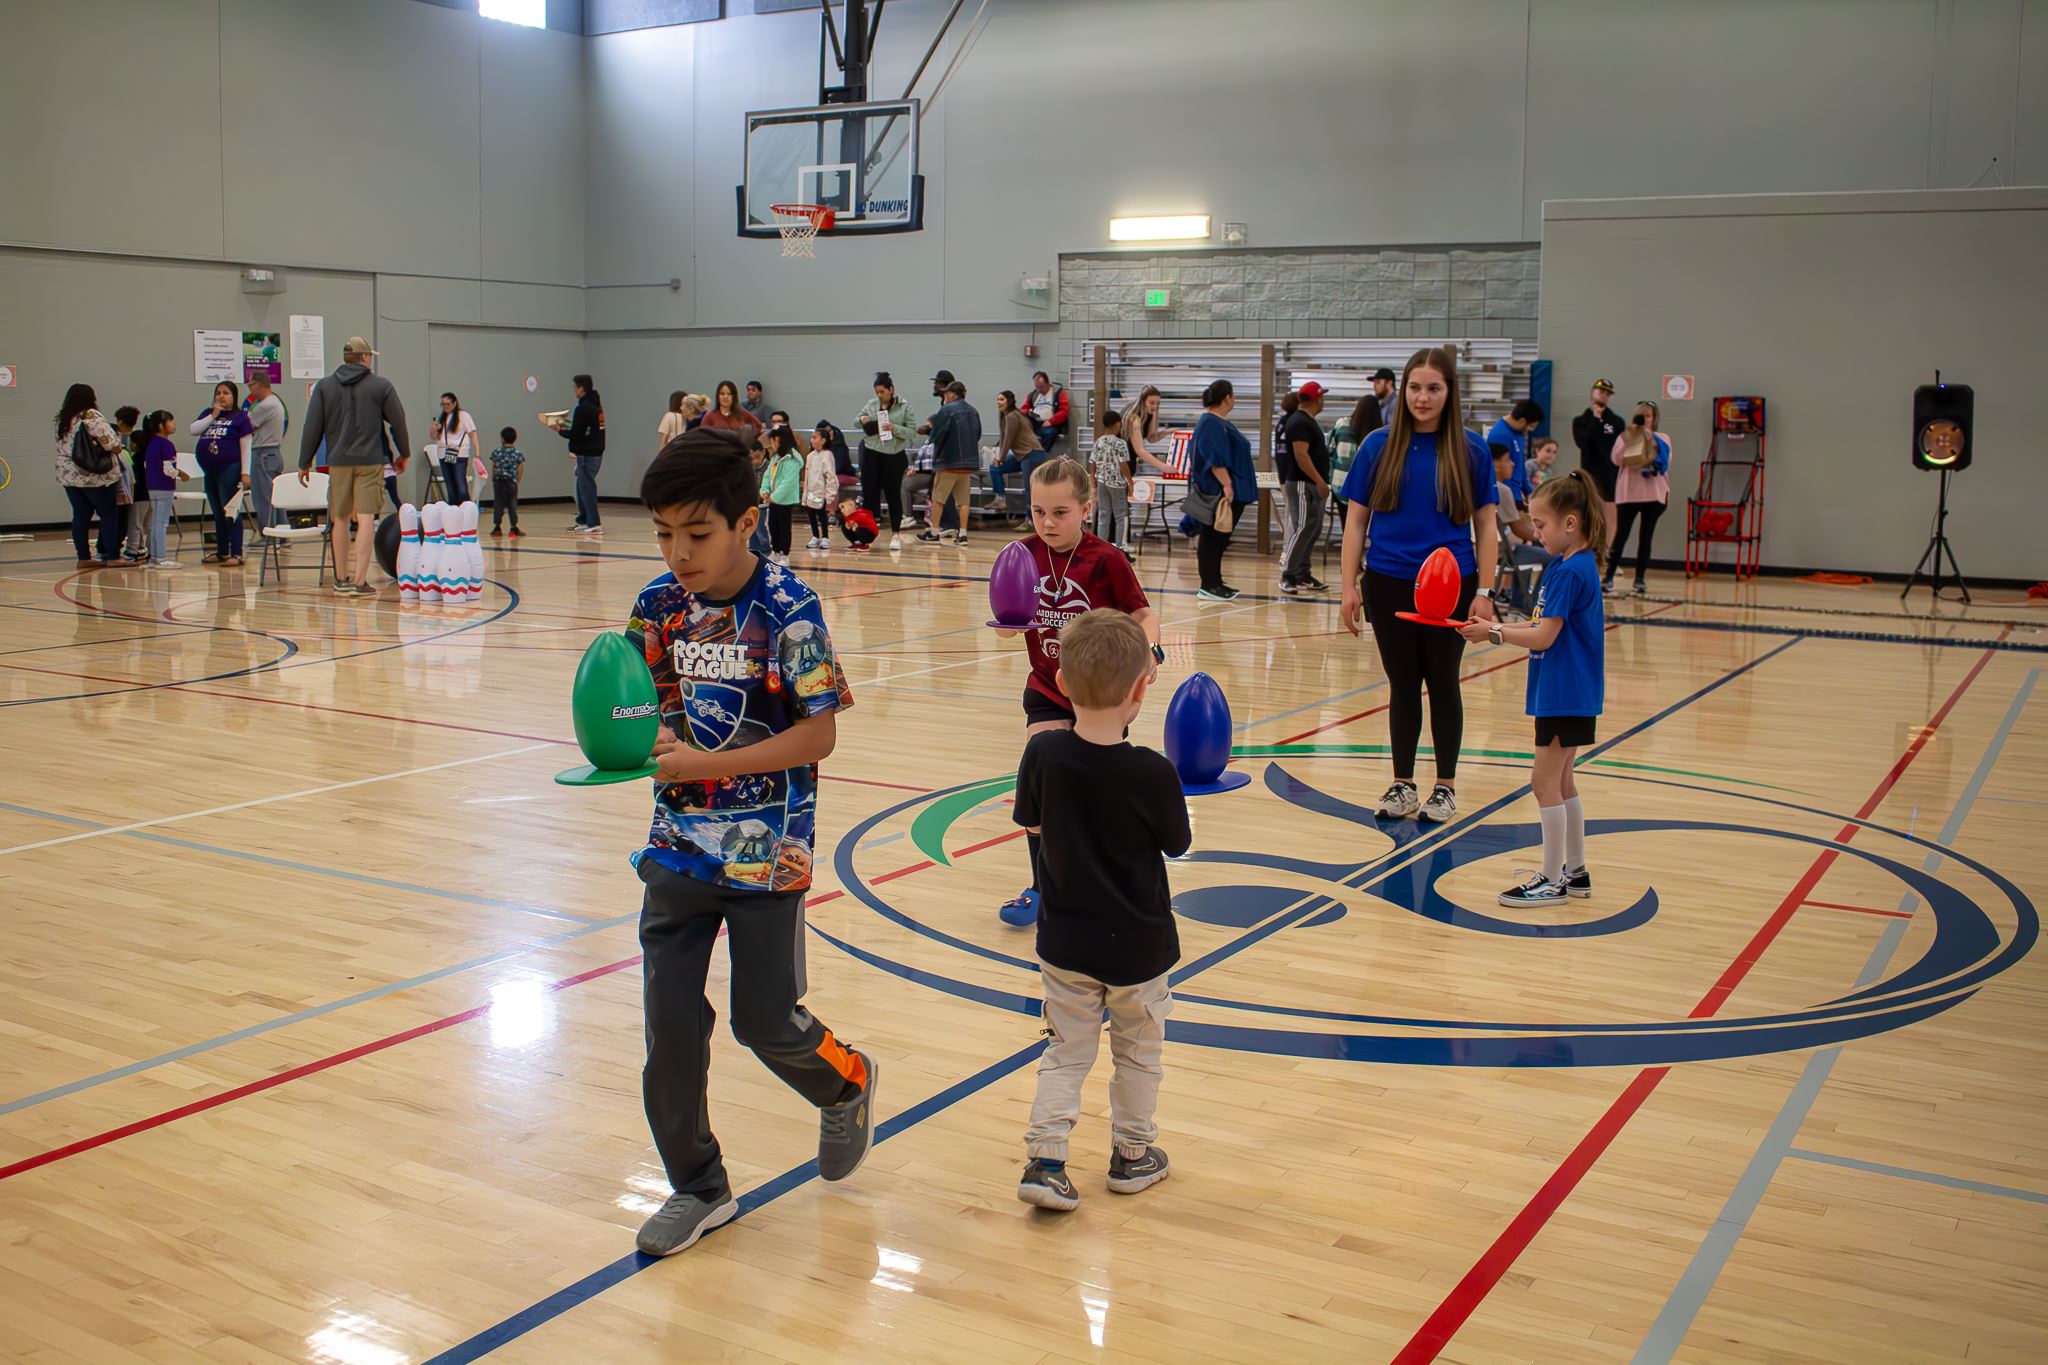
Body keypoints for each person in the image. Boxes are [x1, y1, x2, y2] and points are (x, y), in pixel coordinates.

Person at [624, 426, 875, 1257]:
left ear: (747, 518)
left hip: (769, 852)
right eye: (663, 534)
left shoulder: (789, 608)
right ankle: (699, 1186)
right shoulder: (656, 607)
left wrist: (702, 760)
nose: (678, 553)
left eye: (696, 534)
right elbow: (644, 707)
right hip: (676, 851)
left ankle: (844, 1080)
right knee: (669, 1031)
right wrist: (630, 741)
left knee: (763, 1020)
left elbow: (818, 738)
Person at [1013, 608, 1188, 1212]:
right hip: (1139, 945)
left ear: (1061, 682)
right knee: (1138, 1053)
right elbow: (1178, 843)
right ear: (1143, 687)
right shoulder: (1153, 771)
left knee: (1065, 1051)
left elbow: (1032, 823)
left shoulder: (1043, 755)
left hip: (1064, 939)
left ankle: (1046, 1162)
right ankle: (1132, 1156)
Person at [992, 458, 1161, 928]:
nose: (1047, 522)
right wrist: (1011, 617)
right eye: (1039, 511)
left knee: (1096, 794)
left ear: (1086, 509)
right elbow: (1007, 632)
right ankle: (1042, 886)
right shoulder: (1021, 554)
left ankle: (1105, 881)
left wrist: (1148, 651)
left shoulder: (1106, 559)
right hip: (1046, 687)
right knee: (1041, 781)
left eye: (1060, 512)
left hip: (1102, 694)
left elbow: (1144, 616)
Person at [1337, 346, 1500, 824]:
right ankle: (1403, 783)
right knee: (1402, 684)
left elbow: (1487, 527)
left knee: (1444, 682)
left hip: (1453, 585)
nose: (1422, 398)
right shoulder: (1376, 446)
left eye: (1433, 388)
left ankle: (1445, 786)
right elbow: (1355, 523)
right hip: (1387, 582)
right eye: (1414, 388)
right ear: (1401, 390)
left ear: (1450, 393)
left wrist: (1485, 592)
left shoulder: (1470, 449)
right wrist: (1348, 587)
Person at [1460, 470, 1606, 907]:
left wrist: (1495, 635)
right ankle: (1575, 871)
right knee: (1563, 783)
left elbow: (1544, 637)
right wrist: (1496, 627)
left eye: (1541, 524)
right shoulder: (1572, 564)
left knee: (1543, 784)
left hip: (1564, 692)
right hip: (1572, 691)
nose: (1534, 531)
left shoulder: (1568, 572)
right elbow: (1541, 625)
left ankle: (1551, 879)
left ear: (1570, 523)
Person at [299, 336, 410, 597]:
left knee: (339, 519)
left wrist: (305, 461)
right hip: (370, 461)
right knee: (365, 519)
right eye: (369, 356)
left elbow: (312, 425)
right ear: (363, 357)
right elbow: (398, 421)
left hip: (338, 462)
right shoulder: (381, 386)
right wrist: (403, 453)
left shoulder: (324, 387)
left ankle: (340, 579)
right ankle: (360, 581)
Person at [1185, 378, 1254, 602]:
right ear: (1226, 398)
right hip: (1219, 491)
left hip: (1232, 489)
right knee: (1212, 538)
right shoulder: (1210, 423)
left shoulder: (1219, 421)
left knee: (1220, 539)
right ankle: (1208, 584)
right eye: (1233, 396)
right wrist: (1226, 484)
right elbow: (1215, 457)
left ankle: (1216, 581)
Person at [1606, 399, 1671, 596]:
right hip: (1628, 494)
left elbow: (1663, 459)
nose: (1645, 419)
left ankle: (1640, 579)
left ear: (1655, 418)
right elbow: (1616, 459)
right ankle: (1608, 577)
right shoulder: (1625, 436)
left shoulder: (1662, 438)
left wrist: (1649, 439)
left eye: (1648, 416)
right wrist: (1632, 438)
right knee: (1621, 536)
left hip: (1654, 494)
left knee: (1646, 537)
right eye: (1641, 416)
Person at [1277, 380, 1334, 596]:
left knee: (1313, 527)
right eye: (1322, 397)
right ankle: (1288, 574)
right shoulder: (1299, 421)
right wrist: (1319, 481)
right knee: (1301, 527)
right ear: (1316, 399)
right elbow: (1301, 455)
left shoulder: (1306, 420)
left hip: (1310, 483)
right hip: (1302, 483)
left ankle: (1303, 573)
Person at [190, 380, 253, 567]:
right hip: (210, 470)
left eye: (226, 393)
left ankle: (236, 552)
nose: (221, 396)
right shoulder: (207, 414)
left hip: (230, 468)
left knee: (230, 510)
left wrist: (245, 473)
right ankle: (222, 551)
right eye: (218, 393)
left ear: (233, 396)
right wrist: (213, 415)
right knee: (217, 512)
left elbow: (246, 447)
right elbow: (193, 430)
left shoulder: (240, 418)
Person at [855, 371, 917, 549]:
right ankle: (864, 536)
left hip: (893, 456)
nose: (879, 395)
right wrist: (862, 419)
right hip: (872, 453)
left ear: (891, 390)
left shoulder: (904, 407)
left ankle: (896, 534)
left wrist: (894, 427)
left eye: (882, 391)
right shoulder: (871, 404)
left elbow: (912, 432)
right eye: (877, 392)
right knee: (869, 496)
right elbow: (855, 421)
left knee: (893, 496)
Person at [918, 379, 981, 547]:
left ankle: (934, 532)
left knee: (938, 499)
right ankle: (963, 534)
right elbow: (977, 435)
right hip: (967, 465)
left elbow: (938, 435)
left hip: (948, 463)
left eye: (946, 392)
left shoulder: (946, 410)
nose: (944, 395)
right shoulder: (974, 411)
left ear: (953, 394)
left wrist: (931, 435)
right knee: (964, 501)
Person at [1571, 378, 1626, 532]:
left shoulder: (1616, 421)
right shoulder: (1580, 421)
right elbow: (1583, 443)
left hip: (1610, 475)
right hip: (1590, 474)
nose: (1604, 396)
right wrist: (1595, 419)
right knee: (1588, 515)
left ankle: (1607, 553)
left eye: (1607, 394)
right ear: (1592, 393)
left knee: (1609, 519)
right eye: (1601, 392)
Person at [557, 373, 606, 535]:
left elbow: (576, 433)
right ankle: (584, 519)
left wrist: (558, 429)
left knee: (587, 488)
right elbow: (584, 429)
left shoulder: (583, 408)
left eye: (575, 386)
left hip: (587, 454)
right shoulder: (595, 406)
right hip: (594, 452)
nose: (574, 390)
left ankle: (594, 522)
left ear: (581, 388)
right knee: (581, 487)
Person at [139, 409, 186, 569]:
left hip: (152, 486)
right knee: (162, 522)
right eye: (171, 421)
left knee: (155, 522)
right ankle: (160, 557)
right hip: (164, 486)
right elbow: (168, 469)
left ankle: (154, 556)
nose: (174, 425)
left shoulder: (151, 443)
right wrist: (180, 474)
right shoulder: (166, 444)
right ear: (161, 425)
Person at [244, 374, 287, 532]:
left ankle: (268, 533)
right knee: (276, 497)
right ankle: (282, 533)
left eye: (251, 385)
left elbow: (247, 427)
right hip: (273, 454)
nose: (250, 389)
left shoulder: (265, 405)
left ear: (261, 384)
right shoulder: (275, 402)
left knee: (263, 497)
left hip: (263, 454)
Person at [987, 389, 1044, 503]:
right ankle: (1000, 499)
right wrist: (999, 456)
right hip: (1023, 455)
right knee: (994, 468)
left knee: (1030, 487)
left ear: (1009, 401)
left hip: (1031, 454)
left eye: (1002, 399)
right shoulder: (1009, 416)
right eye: (998, 399)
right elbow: (1003, 438)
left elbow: (1008, 439)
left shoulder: (1012, 416)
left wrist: (1001, 459)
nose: (999, 402)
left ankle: (1030, 518)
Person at [1089, 407, 1133, 551]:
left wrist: (1093, 483)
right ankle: (1121, 546)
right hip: (1117, 483)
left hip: (1102, 481)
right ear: (1116, 424)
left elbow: (1093, 464)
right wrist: (1130, 481)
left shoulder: (1098, 442)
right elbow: (1123, 465)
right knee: (1121, 515)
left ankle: (1102, 546)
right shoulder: (1120, 443)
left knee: (1103, 514)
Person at [1486, 398, 1545, 505]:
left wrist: (1528, 490)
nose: (1529, 431)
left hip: (1517, 492)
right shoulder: (1500, 435)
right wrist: (1512, 496)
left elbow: (1519, 464)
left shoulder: (1518, 433)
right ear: (1522, 421)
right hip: (1507, 494)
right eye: (1531, 427)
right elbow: (1500, 471)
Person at [112, 405, 149, 562]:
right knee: (145, 525)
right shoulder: (143, 457)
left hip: (137, 496)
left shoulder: (135, 459)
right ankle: (144, 548)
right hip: (149, 495)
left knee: (134, 524)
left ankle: (132, 550)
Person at [761, 424, 802, 562]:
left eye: (774, 440)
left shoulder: (792, 460)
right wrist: (765, 491)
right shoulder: (775, 458)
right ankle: (776, 550)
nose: (772, 443)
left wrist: (775, 497)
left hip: (784, 500)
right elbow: (768, 475)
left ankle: (785, 553)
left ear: (780, 440)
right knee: (773, 525)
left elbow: (788, 482)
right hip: (773, 500)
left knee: (784, 527)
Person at [431, 391, 480, 506]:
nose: (445, 407)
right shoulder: (442, 418)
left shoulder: (463, 416)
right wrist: (434, 428)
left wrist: (477, 452)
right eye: (442, 404)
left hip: (459, 453)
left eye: (447, 404)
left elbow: (473, 434)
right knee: (449, 484)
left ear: (454, 403)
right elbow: (434, 437)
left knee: (460, 482)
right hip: (444, 453)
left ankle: (466, 508)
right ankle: (453, 508)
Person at [803, 423, 839, 549]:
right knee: (811, 514)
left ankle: (825, 537)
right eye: (812, 437)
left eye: (815, 437)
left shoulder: (827, 455)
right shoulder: (810, 456)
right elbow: (807, 475)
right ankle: (814, 536)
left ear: (823, 440)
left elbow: (830, 476)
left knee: (821, 514)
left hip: (820, 492)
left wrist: (830, 494)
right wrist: (805, 492)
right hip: (811, 491)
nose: (812, 440)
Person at [1121, 384, 1171, 476]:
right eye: (1151, 403)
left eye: (1158, 403)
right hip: (1117, 463)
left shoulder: (1148, 413)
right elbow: (1139, 450)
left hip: (1129, 459)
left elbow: (1151, 438)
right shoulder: (1134, 417)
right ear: (1142, 401)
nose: (1155, 406)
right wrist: (1164, 467)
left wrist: (1169, 431)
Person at [488, 425, 525, 537]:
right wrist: (517, 480)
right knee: (512, 505)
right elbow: (520, 467)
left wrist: (493, 477)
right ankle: (513, 528)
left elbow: (493, 465)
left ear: (502, 439)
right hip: (511, 482)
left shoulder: (497, 452)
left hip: (499, 481)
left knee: (498, 504)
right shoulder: (517, 453)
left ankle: (497, 527)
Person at [1023, 369, 1070, 456]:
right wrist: (1028, 412)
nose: (1039, 390)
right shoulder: (1033, 395)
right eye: (1037, 387)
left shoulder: (1058, 393)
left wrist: (1051, 421)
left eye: (1041, 387)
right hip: (1034, 422)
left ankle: (1040, 454)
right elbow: (1023, 409)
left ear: (1047, 384)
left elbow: (1064, 411)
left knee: (1050, 433)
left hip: (1048, 424)